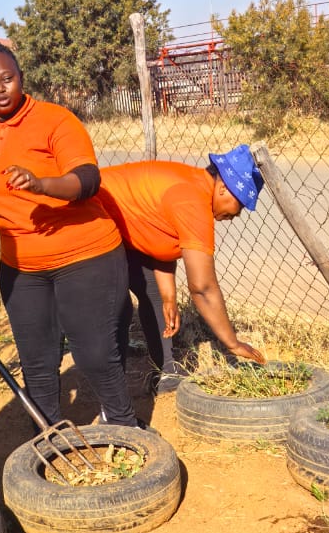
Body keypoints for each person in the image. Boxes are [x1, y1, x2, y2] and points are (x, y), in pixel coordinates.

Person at [0, 42, 137, 428]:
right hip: (22, 268)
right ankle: (49, 438)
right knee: (37, 363)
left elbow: (87, 179)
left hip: (86, 256)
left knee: (95, 354)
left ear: (21, 78)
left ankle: (124, 425)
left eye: (7, 78)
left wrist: (42, 185)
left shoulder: (55, 120)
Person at [97, 147, 265, 393]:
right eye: (239, 205)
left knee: (154, 294)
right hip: (90, 218)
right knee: (116, 307)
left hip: (117, 223)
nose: (236, 215)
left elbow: (161, 236)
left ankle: (166, 370)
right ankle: (113, 404)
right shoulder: (194, 200)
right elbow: (203, 288)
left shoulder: (193, 185)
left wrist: (169, 296)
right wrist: (232, 343)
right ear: (223, 189)